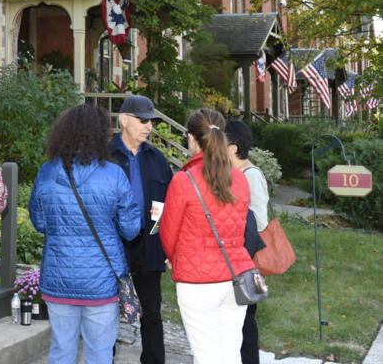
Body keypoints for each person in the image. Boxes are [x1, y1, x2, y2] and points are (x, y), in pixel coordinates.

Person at [30, 104, 141, 364]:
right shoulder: (114, 174)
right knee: (100, 353)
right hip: (101, 280)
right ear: (100, 134)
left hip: (58, 277)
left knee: (61, 351)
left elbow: (39, 222)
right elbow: (131, 229)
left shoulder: (47, 172)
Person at [159, 109, 253, 364]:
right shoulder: (240, 179)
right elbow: (240, 227)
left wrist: (174, 258)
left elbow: (168, 234)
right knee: (231, 352)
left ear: (191, 138)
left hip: (198, 279)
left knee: (207, 356)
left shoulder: (183, 180)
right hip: (236, 276)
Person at [107, 95, 173, 364]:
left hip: (149, 245)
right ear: (124, 120)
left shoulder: (157, 160)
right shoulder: (103, 155)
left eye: (151, 121)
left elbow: (165, 204)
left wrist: (160, 239)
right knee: (106, 311)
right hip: (111, 245)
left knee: (152, 313)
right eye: (143, 120)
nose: (149, 126)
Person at [225, 119, 269, 364]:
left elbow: (260, 223)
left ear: (233, 147)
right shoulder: (233, 174)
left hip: (248, 261)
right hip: (235, 258)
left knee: (246, 322)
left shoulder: (251, 176)